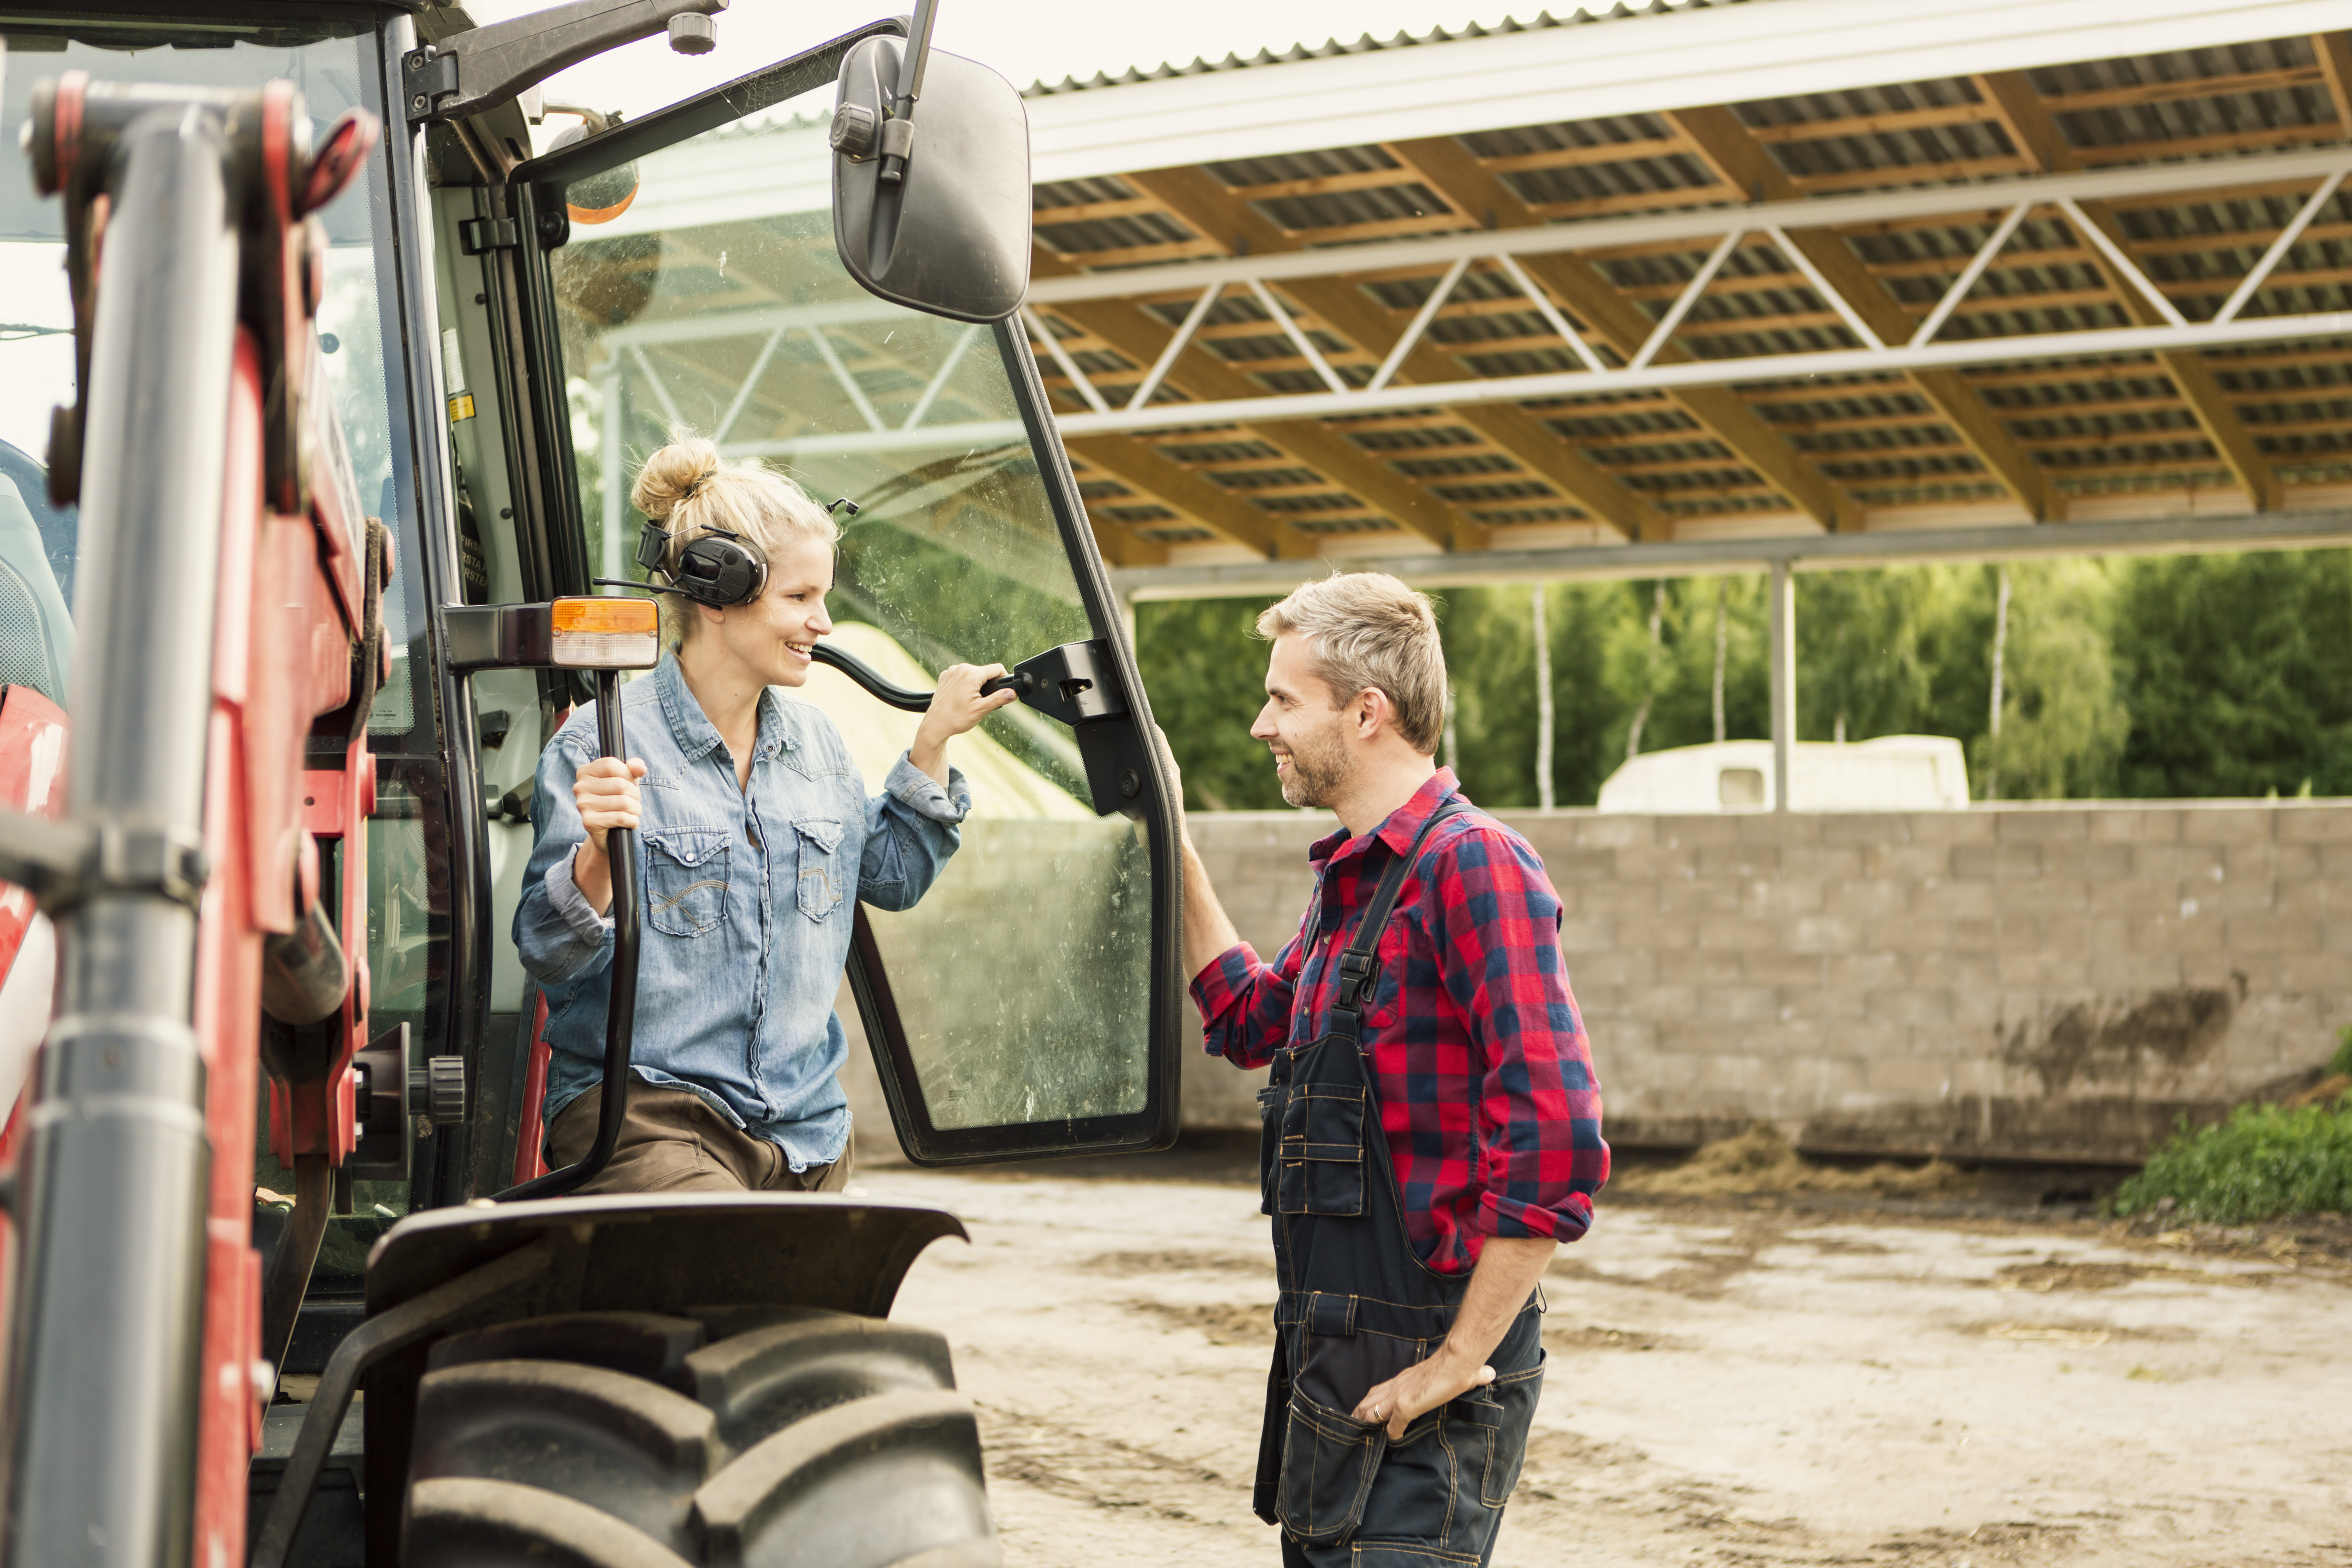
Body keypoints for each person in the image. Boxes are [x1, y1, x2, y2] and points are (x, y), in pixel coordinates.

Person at [1170, 571, 1607, 1567]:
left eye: (1283, 699)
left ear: (1368, 711)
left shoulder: (1474, 864)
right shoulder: (1355, 885)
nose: (1259, 725)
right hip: (1331, 1361)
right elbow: (1250, 1019)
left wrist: (1462, 1358)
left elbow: (1556, 1142)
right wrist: (1174, 848)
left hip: (1429, 1377)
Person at [514, 437, 1015, 1193]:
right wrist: (595, 857)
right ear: (719, 590)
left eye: (825, 599)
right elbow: (548, 953)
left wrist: (933, 741)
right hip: (649, 1117)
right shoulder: (601, 740)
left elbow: (892, 878)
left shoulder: (817, 746)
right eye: (800, 598)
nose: (824, 624)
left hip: (805, 1133)